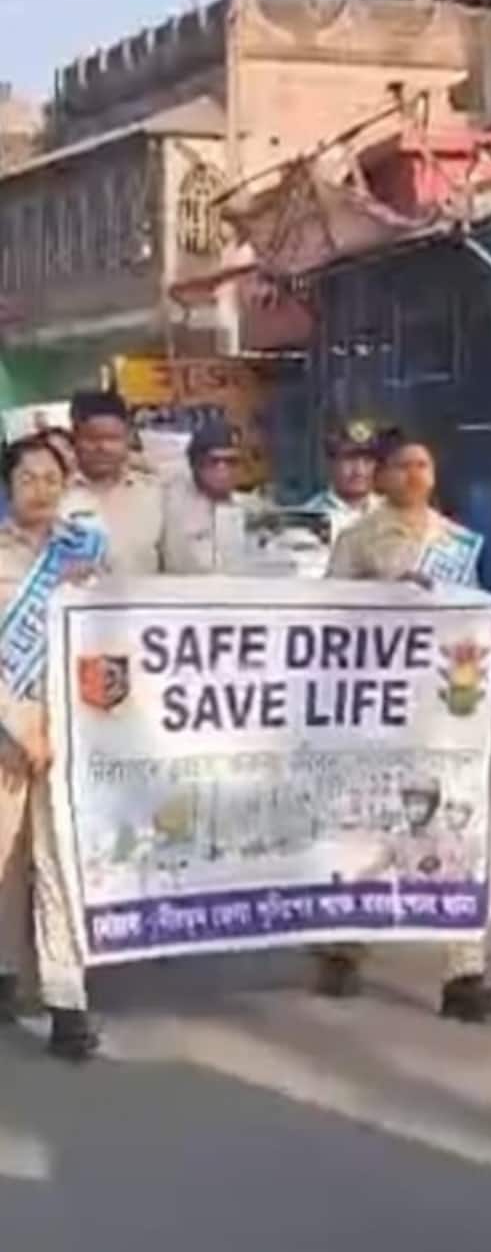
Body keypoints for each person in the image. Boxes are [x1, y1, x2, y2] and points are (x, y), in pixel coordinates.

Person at [316, 427, 491, 1022]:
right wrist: (388, 597)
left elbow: (487, 608)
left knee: (453, 830)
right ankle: (344, 946)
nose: (414, 475)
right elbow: (329, 614)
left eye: (423, 464)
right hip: (378, 707)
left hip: (447, 714)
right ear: (382, 475)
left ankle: (463, 972)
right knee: (368, 827)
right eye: (402, 465)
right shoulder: (358, 541)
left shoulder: (458, 541)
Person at [0, 434, 108, 1061]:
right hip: (8, 727)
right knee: (6, 868)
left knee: (60, 861)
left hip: (73, 730)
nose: (40, 489)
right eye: (27, 478)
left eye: (50, 477)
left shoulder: (85, 551)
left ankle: (68, 1003)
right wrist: (14, 727)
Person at [60, 390, 163, 576]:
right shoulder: (56, 496)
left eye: (113, 439)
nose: (103, 448)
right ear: (75, 438)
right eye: (92, 439)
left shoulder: (154, 493)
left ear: (128, 439)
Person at [160, 420, 254, 575]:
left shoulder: (250, 509)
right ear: (195, 464)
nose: (222, 470)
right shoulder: (169, 503)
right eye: (213, 461)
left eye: (231, 462)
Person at [308, 415, 383, 541]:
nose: (359, 470)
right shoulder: (310, 517)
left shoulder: (392, 512)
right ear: (331, 463)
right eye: (349, 460)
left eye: (367, 461)